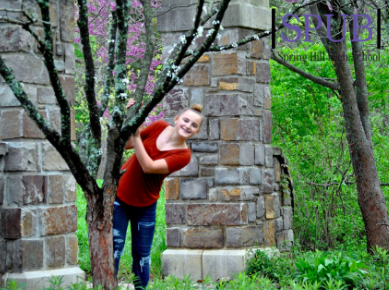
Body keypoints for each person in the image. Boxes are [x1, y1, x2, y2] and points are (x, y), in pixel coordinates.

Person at [113, 98, 203, 289]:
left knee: (142, 257)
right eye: (186, 120)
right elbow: (127, 144)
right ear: (177, 118)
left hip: (145, 206)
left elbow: (149, 167)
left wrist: (138, 137)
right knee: (113, 251)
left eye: (194, 125)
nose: (188, 126)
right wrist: (131, 119)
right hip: (120, 198)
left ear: (197, 132)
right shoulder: (159, 126)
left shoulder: (183, 155)